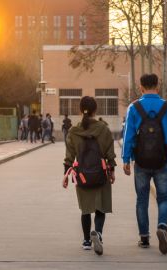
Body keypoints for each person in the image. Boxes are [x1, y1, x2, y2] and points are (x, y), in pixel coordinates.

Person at [122, 73, 167, 255]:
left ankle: (144, 238)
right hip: (162, 161)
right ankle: (162, 227)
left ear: (141, 87)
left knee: (142, 199)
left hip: (141, 162)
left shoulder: (134, 107)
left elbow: (129, 136)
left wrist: (126, 159)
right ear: (158, 85)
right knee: (164, 198)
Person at [63, 96, 116, 256]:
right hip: (101, 173)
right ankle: (98, 233)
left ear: (80, 110)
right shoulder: (103, 129)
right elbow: (110, 153)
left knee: (85, 208)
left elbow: (69, 156)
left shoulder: (73, 131)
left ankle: (86, 241)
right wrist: (112, 170)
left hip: (82, 175)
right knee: (101, 207)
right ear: (95, 110)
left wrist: (65, 175)